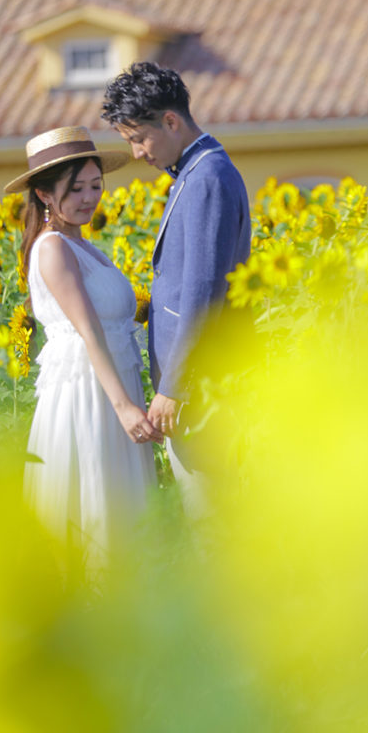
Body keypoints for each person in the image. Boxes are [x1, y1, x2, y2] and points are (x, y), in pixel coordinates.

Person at [4, 126, 162, 567]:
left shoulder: (87, 247)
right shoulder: (53, 248)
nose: (89, 198)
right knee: (95, 507)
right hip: (88, 398)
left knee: (123, 513)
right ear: (44, 195)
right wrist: (125, 407)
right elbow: (89, 333)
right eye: (76, 189)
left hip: (111, 390)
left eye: (95, 186)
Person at [101, 63, 251, 512]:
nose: (136, 152)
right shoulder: (196, 172)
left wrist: (174, 388)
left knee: (210, 519)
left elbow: (203, 293)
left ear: (170, 121)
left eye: (137, 138)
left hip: (201, 388)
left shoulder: (206, 178)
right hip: (198, 384)